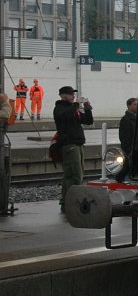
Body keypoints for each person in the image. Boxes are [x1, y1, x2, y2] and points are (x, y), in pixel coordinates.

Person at [53, 85, 94, 213]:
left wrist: (87, 108)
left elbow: (88, 121)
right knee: (74, 175)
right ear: (63, 96)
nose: (73, 97)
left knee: (74, 174)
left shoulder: (73, 109)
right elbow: (65, 115)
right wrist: (76, 105)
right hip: (69, 145)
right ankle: (70, 203)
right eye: (71, 94)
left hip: (77, 144)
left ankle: (66, 201)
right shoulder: (59, 108)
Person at [116, 97, 138, 182]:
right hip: (130, 150)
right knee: (127, 168)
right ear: (129, 106)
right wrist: (129, 150)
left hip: (136, 149)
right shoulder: (126, 119)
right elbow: (124, 137)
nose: (137, 106)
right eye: (135, 104)